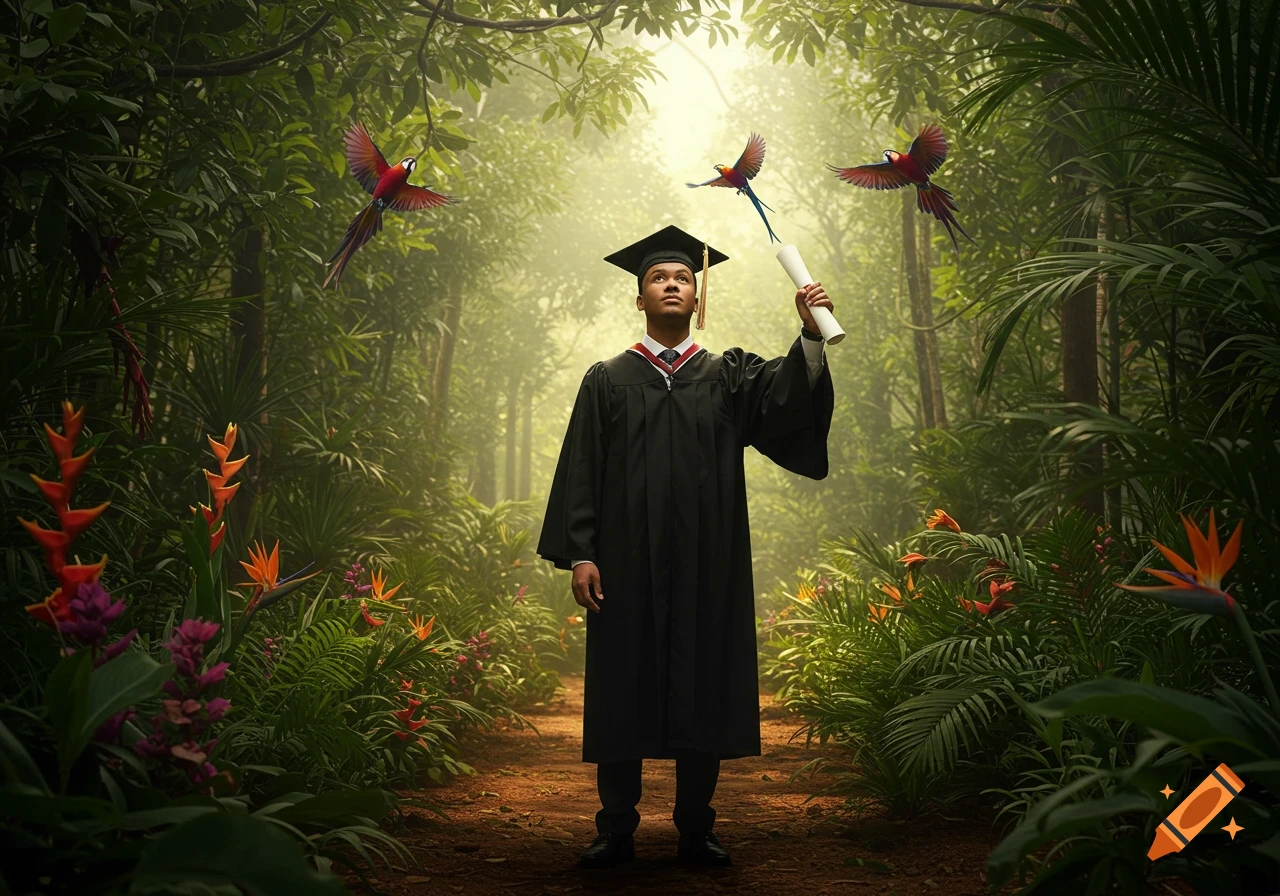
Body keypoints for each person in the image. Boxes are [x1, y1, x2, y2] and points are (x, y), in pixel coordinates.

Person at [536, 224, 835, 869]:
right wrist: (582, 552)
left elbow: (786, 401)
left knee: (702, 683)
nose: (671, 285)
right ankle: (615, 829)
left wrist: (811, 332)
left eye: (683, 279)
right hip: (624, 566)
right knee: (622, 688)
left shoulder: (726, 376)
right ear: (639, 298)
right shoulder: (607, 379)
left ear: (697, 299)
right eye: (657, 278)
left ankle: (696, 828)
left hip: (708, 563)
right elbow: (582, 468)